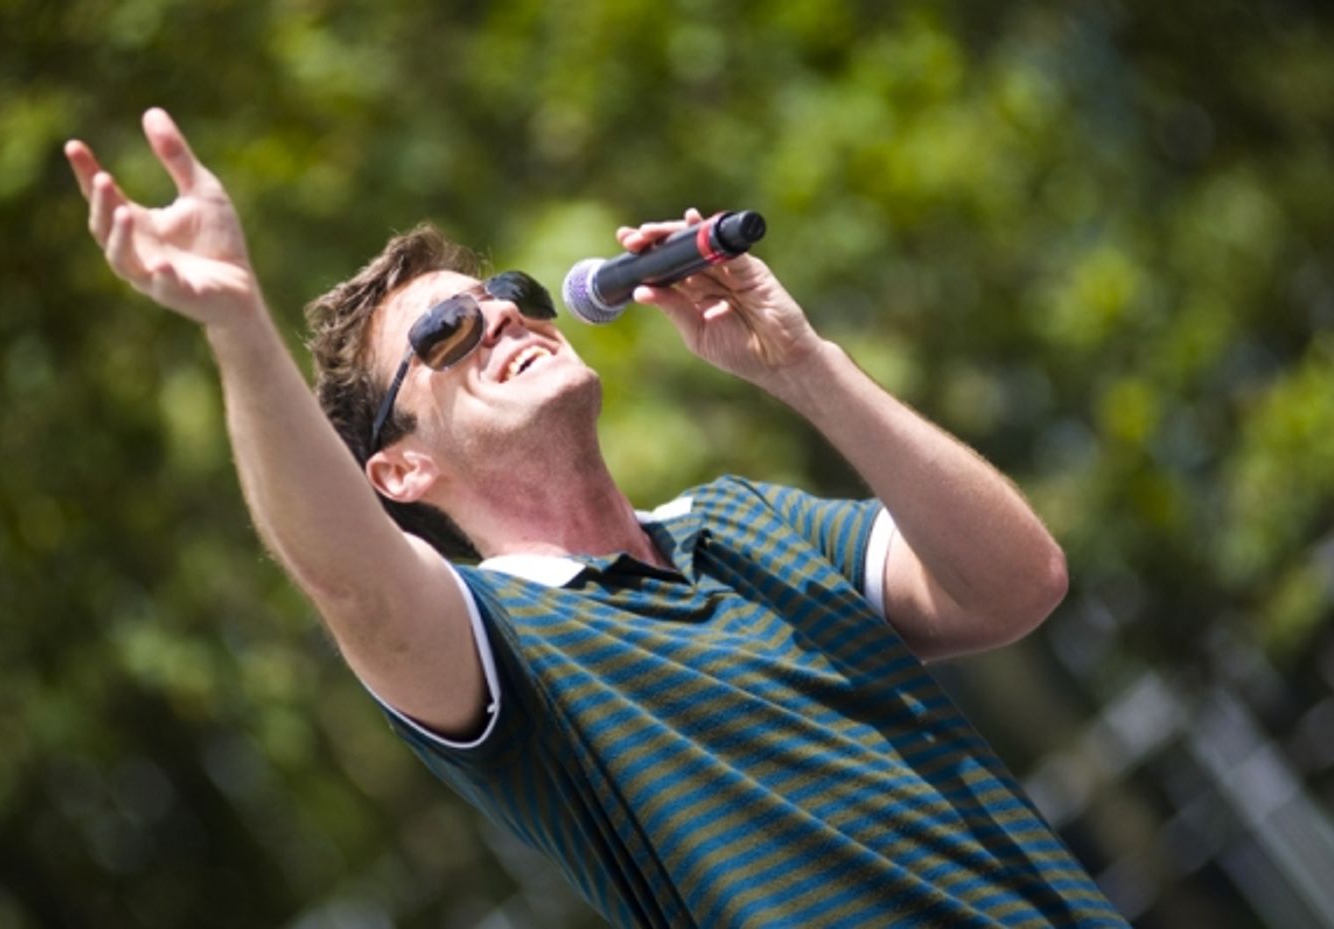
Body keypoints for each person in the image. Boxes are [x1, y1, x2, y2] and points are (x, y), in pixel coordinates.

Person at [66, 109, 1128, 928]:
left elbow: (1017, 579)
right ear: (398, 467)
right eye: (443, 330)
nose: (499, 315)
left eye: (508, 291)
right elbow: (348, 576)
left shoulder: (749, 520)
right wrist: (237, 325)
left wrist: (805, 369)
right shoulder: (500, 649)